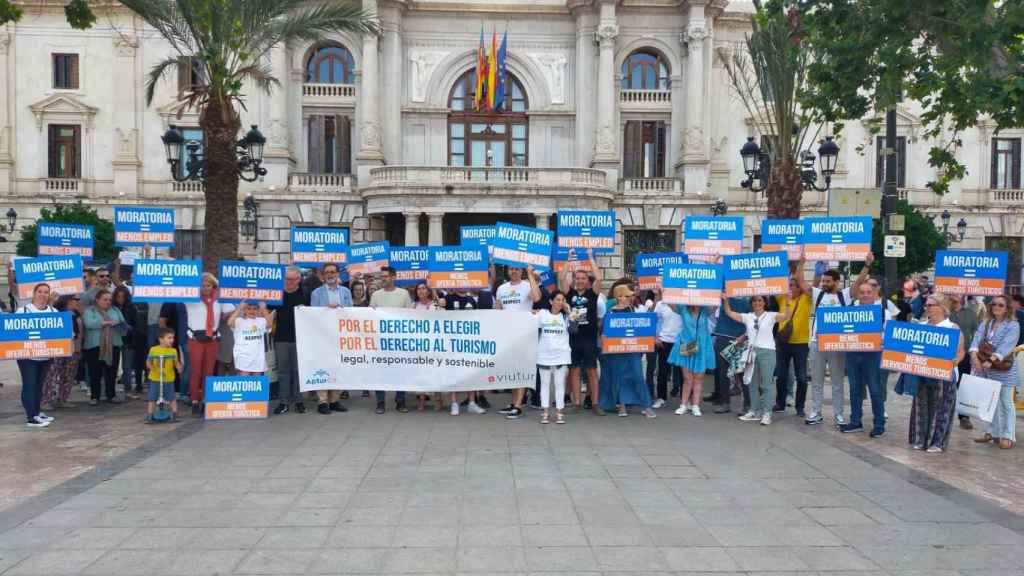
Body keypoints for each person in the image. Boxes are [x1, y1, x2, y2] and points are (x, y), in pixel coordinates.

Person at [797, 256, 871, 426]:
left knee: (837, 381)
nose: (824, 283)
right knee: (816, 380)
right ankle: (816, 411)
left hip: (837, 344)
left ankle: (838, 414)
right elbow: (802, 283)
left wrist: (867, 265)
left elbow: (859, 282)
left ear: (836, 282)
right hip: (817, 341)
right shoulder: (818, 294)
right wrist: (801, 263)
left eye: (828, 281)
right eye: (823, 280)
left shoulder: (845, 295)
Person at [908, 293, 966, 453]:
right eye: (926, 305)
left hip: (944, 374)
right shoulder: (922, 326)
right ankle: (920, 440)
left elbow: (961, 351)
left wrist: (955, 361)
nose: (926, 308)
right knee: (921, 406)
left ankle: (937, 442)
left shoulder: (952, 328)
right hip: (922, 372)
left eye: (930, 305)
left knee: (941, 408)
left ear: (942, 308)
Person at [723, 295, 792, 426]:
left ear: (764, 303)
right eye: (754, 301)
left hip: (767, 352)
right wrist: (725, 300)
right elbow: (729, 313)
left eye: (760, 300)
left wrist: (788, 302)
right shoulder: (748, 316)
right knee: (752, 383)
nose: (757, 303)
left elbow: (786, 316)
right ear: (751, 303)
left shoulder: (771, 315)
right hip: (752, 352)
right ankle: (754, 410)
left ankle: (767, 413)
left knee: (767, 384)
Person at [840, 281, 890, 437]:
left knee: (875, 390)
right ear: (857, 294)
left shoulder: (883, 312)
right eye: (862, 292)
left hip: (874, 354)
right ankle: (855, 421)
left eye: (869, 292)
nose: (865, 295)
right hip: (854, 353)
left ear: (874, 293)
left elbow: (889, 335)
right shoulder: (849, 310)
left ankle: (879, 424)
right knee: (855, 389)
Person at [599, 283, 656, 418]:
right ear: (618, 297)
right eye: (625, 296)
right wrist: (604, 337)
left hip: (632, 349)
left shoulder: (632, 309)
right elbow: (604, 330)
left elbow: (642, 325)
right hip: (616, 350)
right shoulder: (611, 311)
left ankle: (646, 406)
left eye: (628, 296)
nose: (628, 298)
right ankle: (622, 406)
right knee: (620, 377)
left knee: (637, 376)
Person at [971, 295, 1020, 449]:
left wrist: (990, 360)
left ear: (1007, 308)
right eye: (994, 304)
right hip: (985, 369)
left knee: (1006, 403)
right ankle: (993, 432)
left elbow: (1007, 346)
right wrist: (974, 357)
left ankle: (1008, 436)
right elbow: (976, 339)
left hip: (1003, 369)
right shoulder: (986, 322)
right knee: (990, 402)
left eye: (1001, 305)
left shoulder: (1013, 325)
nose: (997, 307)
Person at [559, 250, 603, 415]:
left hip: (590, 338)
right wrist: (568, 260)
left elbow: (599, 278)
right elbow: (562, 278)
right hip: (573, 338)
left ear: (587, 281)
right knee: (574, 370)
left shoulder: (593, 294)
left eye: (583, 278)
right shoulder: (569, 293)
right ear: (574, 280)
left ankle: (595, 403)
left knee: (592, 370)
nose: (580, 281)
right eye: (577, 278)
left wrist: (591, 257)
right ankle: (577, 403)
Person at [184, 273, 234, 416]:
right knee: (196, 371)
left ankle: (207, 400)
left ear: (213, 286)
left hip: (212, 339)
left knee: (209, 372)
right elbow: (177, 290)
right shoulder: (191, 298)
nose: (205, 288)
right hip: (195, 338)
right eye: (203, 285)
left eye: (208, 285)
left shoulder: (220, 299)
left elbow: (231, 311)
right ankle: (194, 401)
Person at [496, 265, 541, 419]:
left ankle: (518, 405)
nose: (513, 271)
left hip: (524, 334)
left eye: (517, 269)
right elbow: (498, 311)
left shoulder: (528, 285)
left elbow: (536, 298)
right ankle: (514, 402)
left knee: (522, 368)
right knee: (512, 369)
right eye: (511, 269)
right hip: (508, 335)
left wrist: (530, 274)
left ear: (521, 271)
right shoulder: (501, 288)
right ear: (507, 271)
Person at [369, 266, 413, 414]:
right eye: (382, 276)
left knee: (401, 371)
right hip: (381, 341)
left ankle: (400, 401)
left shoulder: (404, 294)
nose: (383, 279)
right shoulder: (376, 295)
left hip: (399, 341)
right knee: (379, 372)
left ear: (394, 277)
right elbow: (370, 315)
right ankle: (380, 402)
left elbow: (410, 315)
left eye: (386, 276)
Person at [310, 263, 352, 413]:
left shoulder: (346, 292)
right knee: (323, 366)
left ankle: (334, 400)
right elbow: (312, 315)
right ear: (323, 275)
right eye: (327, 272)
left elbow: (351, 312)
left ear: (337, 274)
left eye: (332, 272)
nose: (330, 275)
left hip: (340, 336)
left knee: (337, 366)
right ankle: (322, 401)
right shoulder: (316, 293)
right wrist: (328, 309)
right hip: (323, 336)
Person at [443, 287, 489, 414]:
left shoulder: (471, 300)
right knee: (454, 373)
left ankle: (472, 403)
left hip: (469, 342)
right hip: (452, 342)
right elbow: (439, 309)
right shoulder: (448, 298)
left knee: (470, 372)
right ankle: (454, 403)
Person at [17, 283, 57, 427]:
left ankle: (36, 411)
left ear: (49, 295)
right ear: (34, 293)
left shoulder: (54, 311)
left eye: (46, 292)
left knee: (39, 385)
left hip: (46, 356)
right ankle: (31, 417)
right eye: (39, 291)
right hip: (27, 356)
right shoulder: (23, 311)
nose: (42, 294)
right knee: (29, 385)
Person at [272, 266, 310, 415]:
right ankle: (283, 402)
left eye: (293, 279)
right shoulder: (276, 295)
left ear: (299, 280)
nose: (289, 282)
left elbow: (314, 315)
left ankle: (299, 401)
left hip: (300, 339)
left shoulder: (305, 294)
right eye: (287, 279)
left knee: (298, 372)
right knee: (283, 372)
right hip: (281, 338)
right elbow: (267, 312)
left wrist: (305, 310)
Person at [668, 304, 714, 416]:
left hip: (702, 345)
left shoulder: (706, 310)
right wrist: (662, 291)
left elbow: (716, 304)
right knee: (687, 377)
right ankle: (683, 405)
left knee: (698, 377)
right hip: (687, 344)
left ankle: (695, 405)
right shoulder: (683, 309)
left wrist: (722, 296)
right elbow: (670, 302)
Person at [83, 290, 127, 405]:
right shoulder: (90, 311)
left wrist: (117, 324)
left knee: (112, 372)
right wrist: (104, 323)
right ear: (97, 300)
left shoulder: (115, 310)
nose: (108, 302)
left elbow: (123, 323)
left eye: (109, 300)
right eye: (105, 299)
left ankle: (111, 395)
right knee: (95, 372)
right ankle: (95, 396)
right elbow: (89, 324)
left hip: (114, 344)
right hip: (94, 346)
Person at [708, 296, 751, 413]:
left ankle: (747, 404)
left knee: (741, 373)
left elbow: (753, 321)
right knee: (724, 372)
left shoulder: (748, 299)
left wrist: (746, 336)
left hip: (740, 339)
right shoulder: (721, 296)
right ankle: (725, 402)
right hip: (723, 337)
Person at [535, 291, 572, 424]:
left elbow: (574, 329)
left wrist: (569, 312)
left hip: (561, 356)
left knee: (559, 384)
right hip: (544, 355)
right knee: (544, 384)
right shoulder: (543, 314)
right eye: (557, 299)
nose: (560, 302)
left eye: (562, 300)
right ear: (551, 301)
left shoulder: (566, 316)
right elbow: (533, 326)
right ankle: (545, 412)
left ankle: (559, 412)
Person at [41, 294, 82, 410]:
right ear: (68, 301)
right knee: (51, 376)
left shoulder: (77, 314)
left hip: (72, 348)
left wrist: (78, 350)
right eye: (76, 300)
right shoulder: (56, 313)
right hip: (57, 348)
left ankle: (63, 398)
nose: (78, 302)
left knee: (68, 375)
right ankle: (45, 400)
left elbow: (80, 333)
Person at [949, 295, 981, 430]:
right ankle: (943, 414)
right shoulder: (944, 311)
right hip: (945, 353)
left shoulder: (970, 314)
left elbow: (977, 333)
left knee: (963, 385)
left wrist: (975, 353)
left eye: (957, 293)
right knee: (945, 384)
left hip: (964, 353)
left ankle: (964, 417)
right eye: (951, 293)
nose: (953, 296)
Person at [652, 288, 682, 409]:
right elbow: (653, 320)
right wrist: (655, 337)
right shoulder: (661, 304)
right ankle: (661, 397)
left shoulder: (685, 302)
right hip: (665, 341)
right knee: (663, 371)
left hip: (682, 342)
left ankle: (685, 400)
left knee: (684, 372)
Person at [227, 300, 274, 376]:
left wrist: (264, 309)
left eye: (255, 309)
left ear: (258, 310)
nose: (252, 311)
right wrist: (239, 308)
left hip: (258, 358)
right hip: (243, 357)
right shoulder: (239, 321)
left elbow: (269, 324)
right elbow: (229, 323)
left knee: (256, 382)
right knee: (244, 381)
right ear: (244, 310)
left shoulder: (261, 321)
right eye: (249, 308)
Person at [145, 327, 181, 423]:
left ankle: (174, 414)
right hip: (155, 378)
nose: (172, 340)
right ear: (161, 339)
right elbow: (148, 362)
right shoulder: (154, 350)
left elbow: (176, 362)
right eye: (169, 338)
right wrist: (152, 368)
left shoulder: (173, 351)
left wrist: (179, 367)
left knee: (172, 398)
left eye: (173, 338)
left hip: (168, 378)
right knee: (152, 397)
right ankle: (150, 415)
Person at [112, 286, 139, 399]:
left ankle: (128, 389)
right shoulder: (111, 308)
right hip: (114, 340)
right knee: (112, 366)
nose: (120, 299)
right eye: (118, 297)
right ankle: (110, 391)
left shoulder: (131, 308)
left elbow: (135, 325)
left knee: (127, 367)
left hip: (128, 340)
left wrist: (127, 329)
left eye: (123, 297)